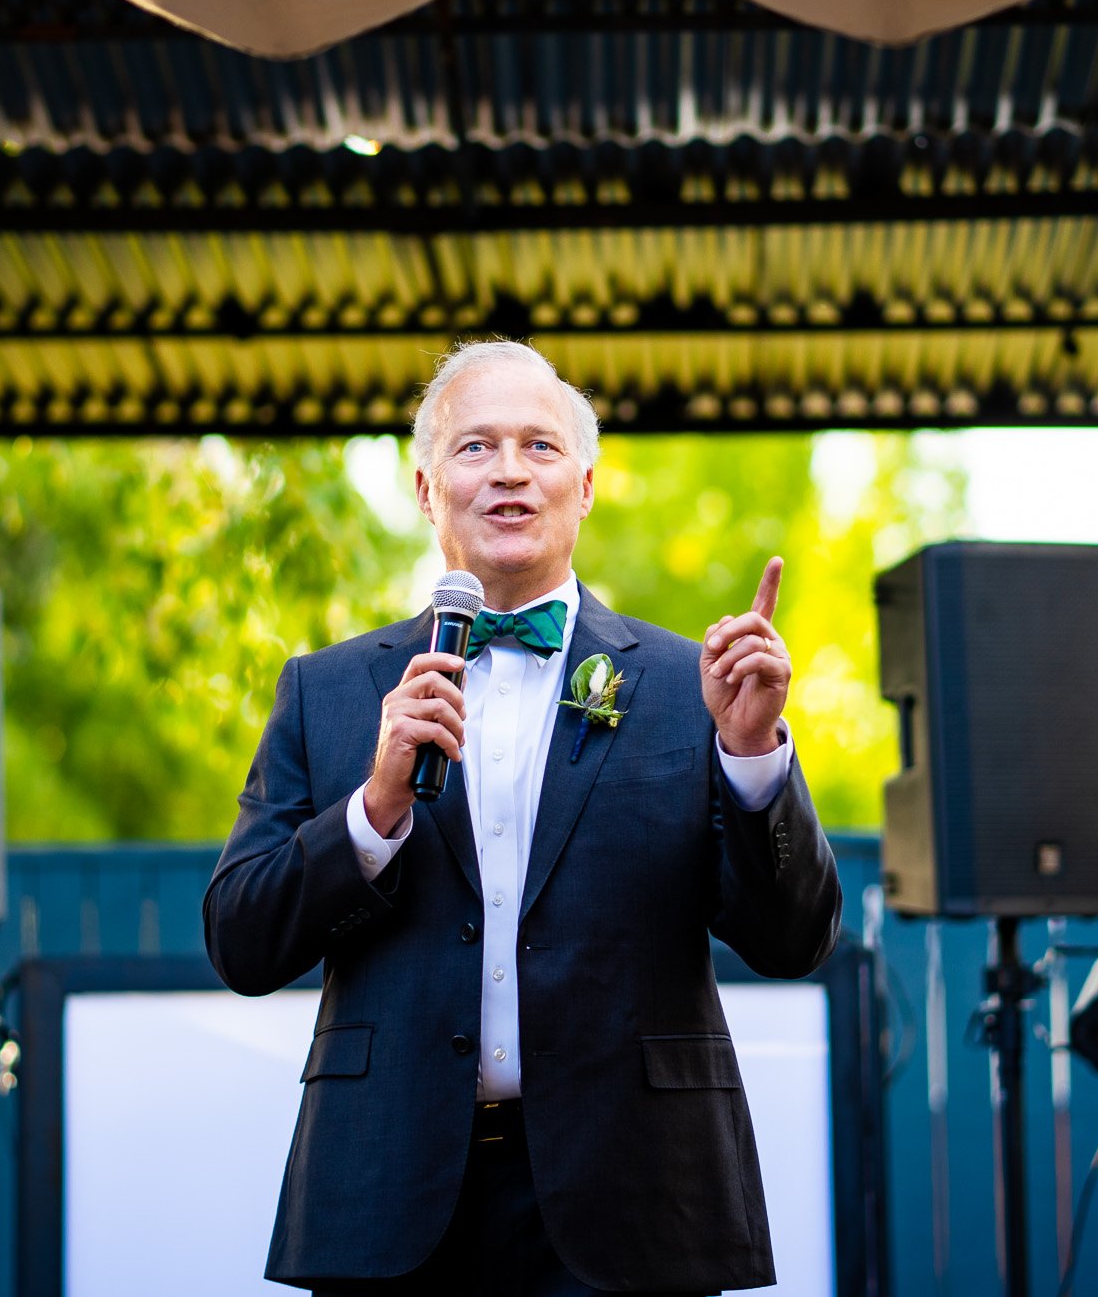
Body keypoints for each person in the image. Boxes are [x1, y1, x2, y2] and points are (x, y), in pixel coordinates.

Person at [204, 339, 842, 1296]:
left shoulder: (687, 688)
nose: (508, 470)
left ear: (584, 487)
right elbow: (240, 942)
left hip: (634, 1205)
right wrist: (375, 811)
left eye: (539, 447)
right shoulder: (327, 693)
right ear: (425, 489)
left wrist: (752, 758)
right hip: (388, 1202)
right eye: (475, 447)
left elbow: (794, 940)